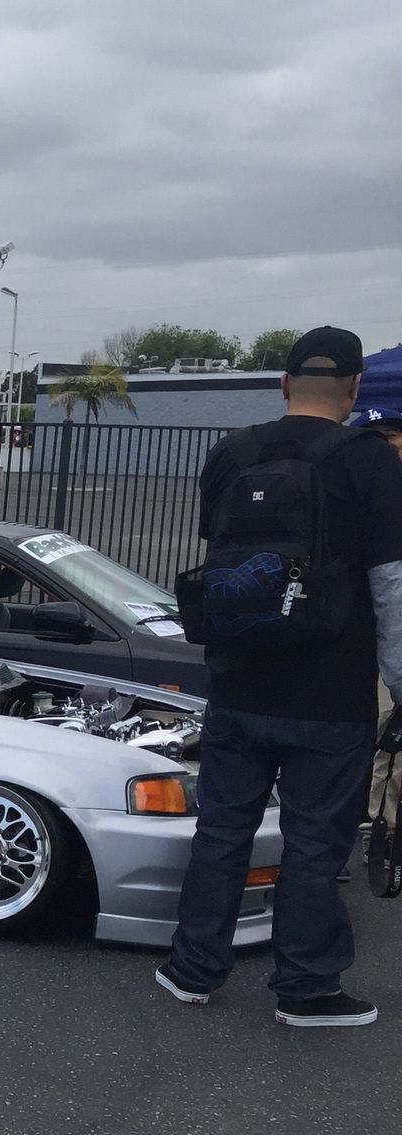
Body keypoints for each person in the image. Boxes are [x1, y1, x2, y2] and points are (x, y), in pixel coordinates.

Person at [158, 327, 402, 1027]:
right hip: (329, 694)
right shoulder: (369, 460)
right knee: (315, 841)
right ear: (355, 388)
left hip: (237, 683)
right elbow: (391, 586)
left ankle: (191, 969)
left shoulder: (231, 454)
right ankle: (307, 988)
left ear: (283, 383)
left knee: (222, 830)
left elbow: (227, 566)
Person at [353, 404, 402, 823]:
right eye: (378, 440)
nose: (388, 447)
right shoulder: (354, 495)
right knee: (384, 730)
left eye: (393, 436)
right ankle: (378, 826)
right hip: (369, 637)